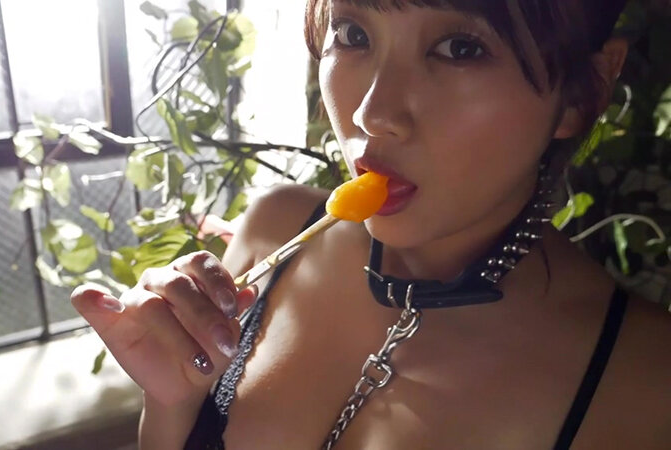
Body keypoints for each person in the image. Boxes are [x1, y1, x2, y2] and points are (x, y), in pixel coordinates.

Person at [72, 0, 671, 448]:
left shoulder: (646, 380)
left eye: (460, 48)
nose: (371, 113)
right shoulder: (276, 229)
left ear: (584, 91)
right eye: (353, 34)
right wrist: (171, 398)